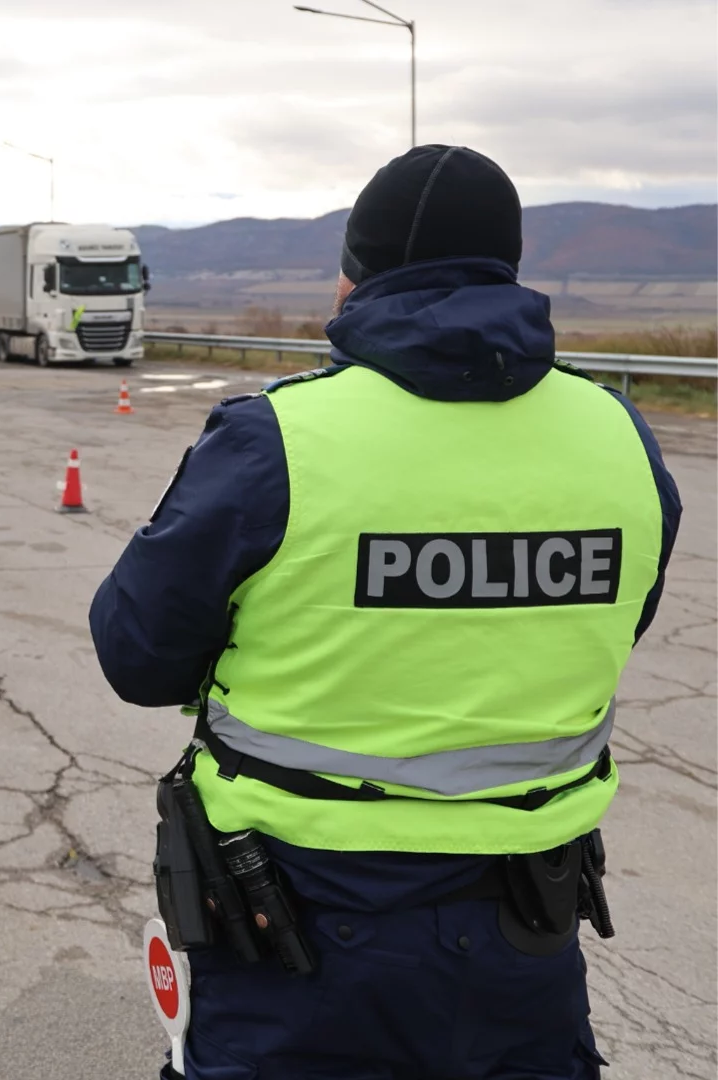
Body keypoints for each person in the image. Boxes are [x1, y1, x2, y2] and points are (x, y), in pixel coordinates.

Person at [89, 146, 680, 1080]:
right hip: (529, 935)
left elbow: (136, 655)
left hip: (298, 931)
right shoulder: (620, 437)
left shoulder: (276, 439)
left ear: (352, 278)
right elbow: (618, 621)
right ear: (510, 268)